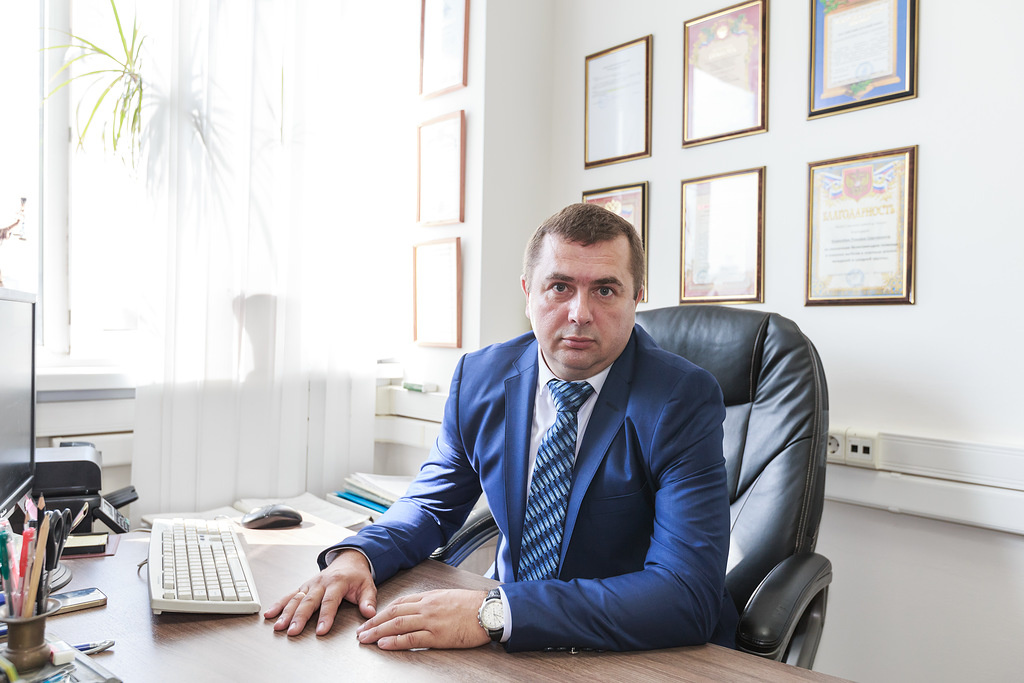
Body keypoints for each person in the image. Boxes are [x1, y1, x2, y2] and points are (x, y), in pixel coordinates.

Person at [264, 202, 738, 651]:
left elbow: (685, 594)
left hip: (636, 648)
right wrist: (358, 556)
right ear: (528, 293)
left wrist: (497, 612)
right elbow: (430, 505)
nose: (579, 313)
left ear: (637, 298)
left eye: (605, 290)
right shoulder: (480, 377)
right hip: (506, 644)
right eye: (560, 287)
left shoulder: (681, 399)